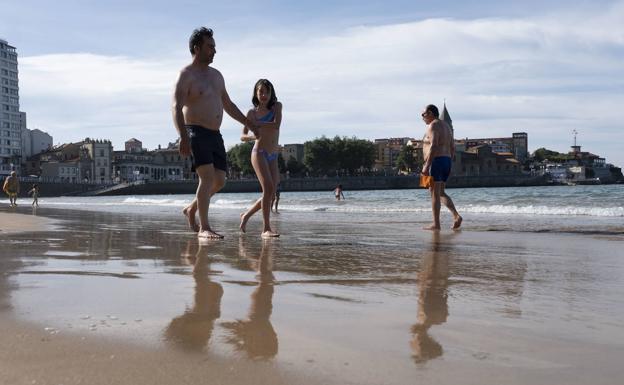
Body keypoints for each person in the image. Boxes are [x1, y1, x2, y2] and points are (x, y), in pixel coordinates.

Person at [172, 27, 258, 239]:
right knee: (207, 177)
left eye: (214, 47)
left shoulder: (217, 76)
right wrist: (183, 136)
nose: (214, 51)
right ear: (197, 48)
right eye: (210, 46)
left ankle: (191, 209)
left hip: (214, 134)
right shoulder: (186, 75)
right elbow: (176, 107)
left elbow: (228, 104)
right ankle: (204, 227)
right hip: (195, 131)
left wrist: (247, 122)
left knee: (220, 181)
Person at [239, 79, 282, 238]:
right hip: (259, 153)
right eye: (261, 91)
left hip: (273, 155)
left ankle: (246, 215)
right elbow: (243, 136)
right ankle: (266, 228)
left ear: (272, 93)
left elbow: (276, 124)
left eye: (267, 92)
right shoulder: (251, 113)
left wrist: (257, 125)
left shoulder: (277, 107)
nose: (264, 95)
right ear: (256, 93)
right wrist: (252, 135)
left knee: (271, 193)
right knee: (268, 189)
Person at [421, 104, 462, 230]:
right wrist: (449, 162)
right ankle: (456, 216)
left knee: (433, 193)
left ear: (431, 113)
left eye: (424, 114)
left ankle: (436, 224)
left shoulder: (433, 125)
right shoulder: (447, 127)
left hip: (436, 161)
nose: (422, 117)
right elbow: (452, 147)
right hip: (446, 160)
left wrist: (427, 166)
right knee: (441, 192)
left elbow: (433, 146)